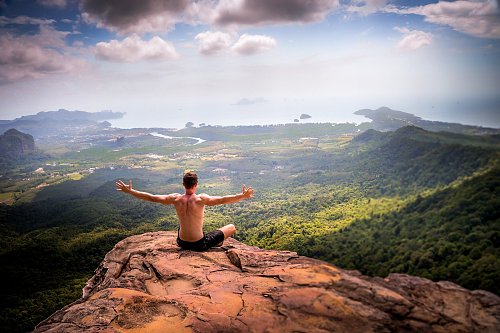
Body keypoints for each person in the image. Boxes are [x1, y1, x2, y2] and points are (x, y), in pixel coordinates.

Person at [115, 172, 254, 251]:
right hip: (199, 244)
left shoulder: (175, 199)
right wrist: (243, 196)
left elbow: (151, 197)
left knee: (182, 224)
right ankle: (216, 243)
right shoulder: (201, 199)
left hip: (181, 242)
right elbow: (223, 199)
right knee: (231, 227)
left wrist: (130, 191)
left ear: (183, 184)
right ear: (196, 184)